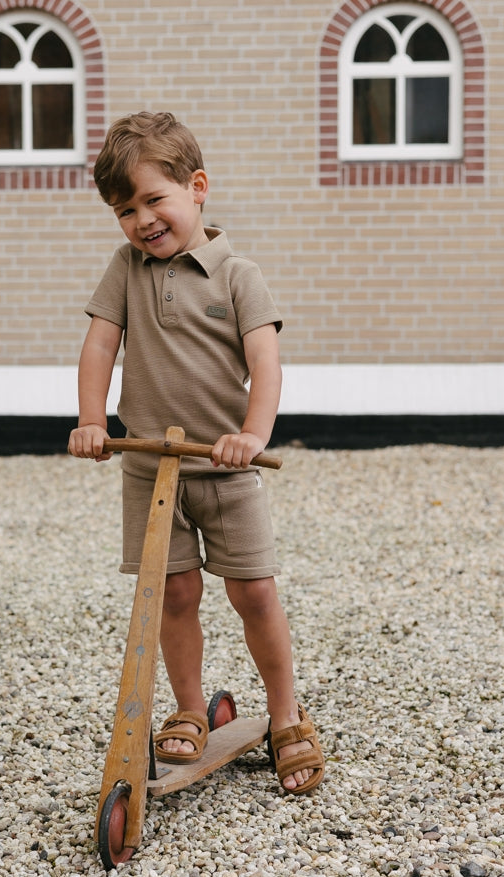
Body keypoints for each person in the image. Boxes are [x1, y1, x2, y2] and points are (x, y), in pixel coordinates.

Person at [67, 111, 324, 795]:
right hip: (152, 469)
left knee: (255, 594)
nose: (142, 220)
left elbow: (264, 360)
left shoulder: (238, 274)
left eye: (155, 200)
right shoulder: (124, 270)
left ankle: (286, 714)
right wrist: (93, 419)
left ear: (197, 188)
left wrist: (253, 433)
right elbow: (100, 345)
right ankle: (188, 706)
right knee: (171, 595)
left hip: (227, 468)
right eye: (126, 210)